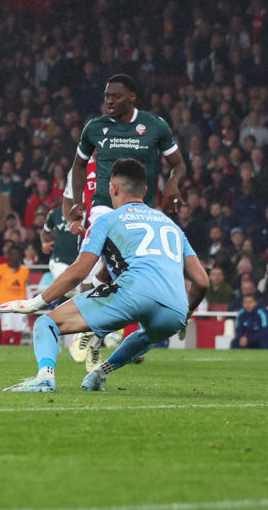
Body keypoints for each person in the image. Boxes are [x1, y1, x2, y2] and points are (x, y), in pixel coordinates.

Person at [0, 158, 209, 392]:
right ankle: (99, 374)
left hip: (133, 294)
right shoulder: (172, 227)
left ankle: (45, 377)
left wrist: (36, 302)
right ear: (145, 190)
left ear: (114, 188)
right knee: (146, 336)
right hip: (175, 308)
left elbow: (80, 270)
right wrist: (186, 312)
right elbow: (202, 281)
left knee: (46, 322)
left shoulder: (107, 219)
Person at [67, 74, 186, 365]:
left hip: (141, 211)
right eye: (106, 95)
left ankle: (94, 335)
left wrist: (173, 183)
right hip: (104, 207)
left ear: (131, 97)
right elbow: (78, 165)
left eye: (115, 96)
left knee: (121, 273)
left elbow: (179, 164)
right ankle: (89, 329)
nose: (108, 101)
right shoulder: (94, 128)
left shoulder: (154, 126)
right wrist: (80, 199)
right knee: (100, 263)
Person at [0, 244, 30, 345]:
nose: (14, 257)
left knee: (18, 332)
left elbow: (28, 290)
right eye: (12, 255)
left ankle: (15, 356)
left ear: (20, 256)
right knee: (8, 331)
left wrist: (32, 305)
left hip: (20, 305)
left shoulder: (25, 271)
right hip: (5, 305)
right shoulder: (0, 269)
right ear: (8, 256)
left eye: (17, 255)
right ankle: (3, 353)